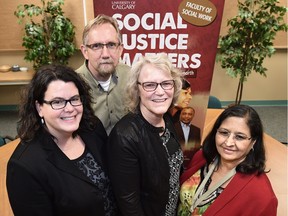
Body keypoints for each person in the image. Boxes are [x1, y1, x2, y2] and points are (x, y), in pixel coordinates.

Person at [6, 65, 118, 216]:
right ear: (39, 108)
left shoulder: (92, 127)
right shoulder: (25, 166)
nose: (70, 108)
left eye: (74, 99)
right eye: (57, 102)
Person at [107, 53, 184, 216]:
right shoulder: (124, 135)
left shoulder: (168, 119)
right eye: (150, 85)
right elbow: (129, 204)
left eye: (166, 83)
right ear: (137, 89)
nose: (160, 92)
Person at [177, 105, 278, 215]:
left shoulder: (262, 196)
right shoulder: (201, 157)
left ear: (253, 141)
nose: (229, 143)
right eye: (224, 133)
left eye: (239, 137)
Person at [76, 14, 131, 134]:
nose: (105, 54)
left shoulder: (131, 76)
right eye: (96, 46)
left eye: (111, 45)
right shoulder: (73, 85)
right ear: (85, 51)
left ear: (120, 49)